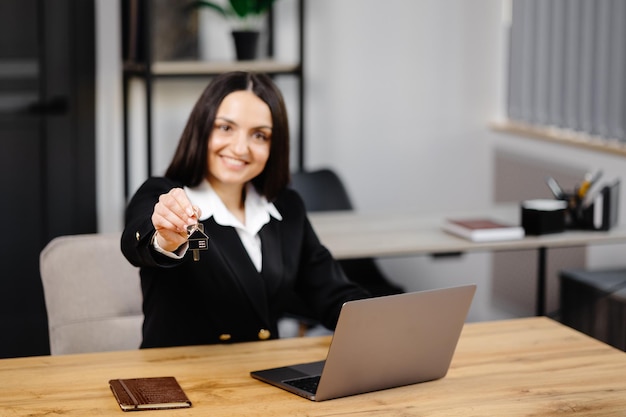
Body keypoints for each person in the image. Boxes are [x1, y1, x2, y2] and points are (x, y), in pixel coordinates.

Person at [121, 71, 369, 348]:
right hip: (178, 381)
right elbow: (137, 244)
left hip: (262, 376)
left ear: (274, 146)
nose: (241, 148)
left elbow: (331, 293)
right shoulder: (162, 194)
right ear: (201, 128)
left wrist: (384, 322)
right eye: (225, 128)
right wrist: (166, 238)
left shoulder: (285, 206)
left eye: (259, 135)